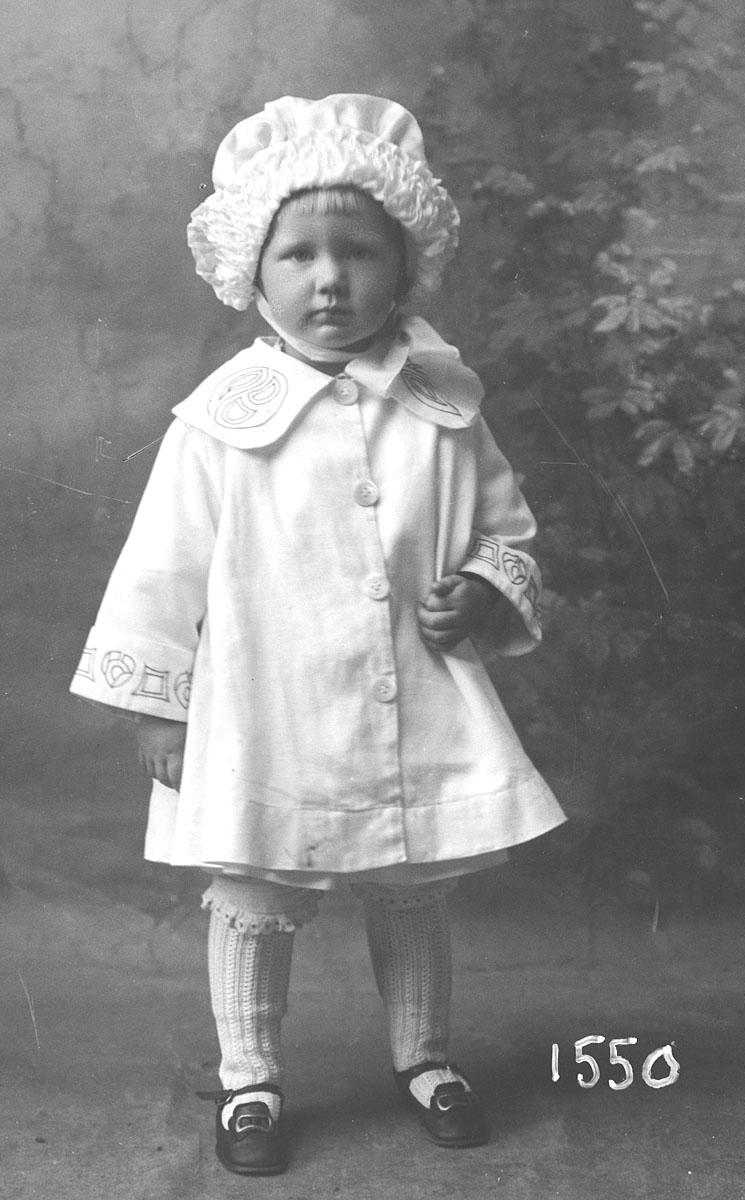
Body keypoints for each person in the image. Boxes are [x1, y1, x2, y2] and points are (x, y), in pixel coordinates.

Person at [70, 93, 565, 1178]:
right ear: (252, 271)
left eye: (359, 252)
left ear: (406, 266)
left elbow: (508, 528)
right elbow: (161, 567)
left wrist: (485, 587)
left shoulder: (443, 408)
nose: (329, 279)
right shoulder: (221, 422)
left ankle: (425, 1058)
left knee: (412, 879)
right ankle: (250, 1077)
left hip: (410, 691)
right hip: (268, 706)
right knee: (256, 890)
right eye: (298, 254)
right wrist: (160, 703)